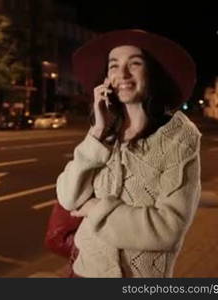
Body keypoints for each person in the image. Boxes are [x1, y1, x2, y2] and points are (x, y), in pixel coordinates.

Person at [56, 29, 202, 278]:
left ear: (152, 72)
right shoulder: (105, 131)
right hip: (83, 272)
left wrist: (95, 209)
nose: (121, 74)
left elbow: (168, 229)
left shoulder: (179, 137)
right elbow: (68, 198)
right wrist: (97, 132)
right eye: (113, 66)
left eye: (134, 64)